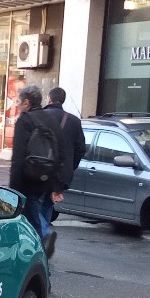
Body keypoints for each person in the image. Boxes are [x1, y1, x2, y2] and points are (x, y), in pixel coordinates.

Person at [9, 84, 70, 258]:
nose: (17, 105)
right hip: (47, 176)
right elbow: (61, 153)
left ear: (26, 103)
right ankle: (38, 241)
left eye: (18, 102)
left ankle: (41, 242)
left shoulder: (24, 120)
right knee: (35, 209)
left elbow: (18, 157)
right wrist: (56, 182)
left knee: (29, 215)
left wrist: (14, 187)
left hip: (28, 178)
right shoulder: (51, 119)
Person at [45, 87, 87, 217]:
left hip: (39, 170)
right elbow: (80, 149)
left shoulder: (38, 116)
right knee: (47, 207)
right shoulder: (74, 121)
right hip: (61, 174)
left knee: (36, 206)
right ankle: (44, 227)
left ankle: (41, 228)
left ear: (49, 99)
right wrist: (69, 167)